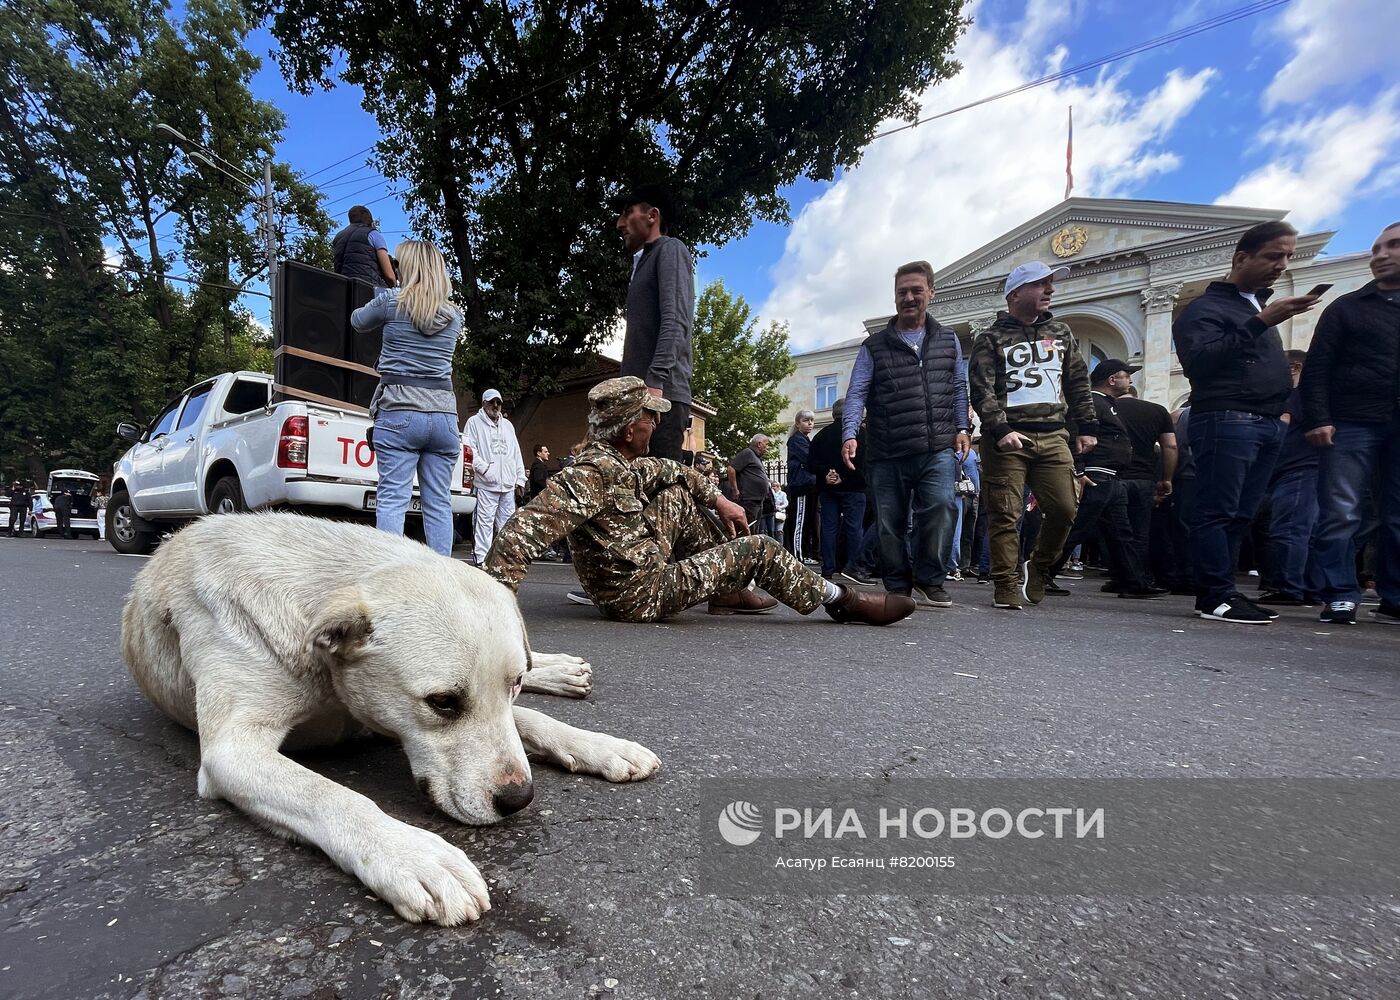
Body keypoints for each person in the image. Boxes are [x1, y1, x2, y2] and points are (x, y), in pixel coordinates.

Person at [483, 377, 915, 627]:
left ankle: (727, 591)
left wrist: (720, 501)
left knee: (678, 496)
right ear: (631, 428)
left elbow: (678, 472)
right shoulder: (590, 474)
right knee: (760, 548)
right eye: (651, 416)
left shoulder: (623, 462)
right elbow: (519, 534)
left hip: (646, 563)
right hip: (637, 594)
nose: (657, 422)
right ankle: (840, 600)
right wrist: (490, 618)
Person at [1172, 220, 1320, 624]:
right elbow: (1199, 362)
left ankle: (1223, 591)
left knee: (1241, 513)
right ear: (1241, 258)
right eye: (1274, 256)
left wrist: (1285, 412)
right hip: (1227, 417)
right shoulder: (1205, 309)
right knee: (1217, 509)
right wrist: (1261, 322)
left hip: (1267, 421)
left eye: (1288, 256)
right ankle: (1214, 594)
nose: (1282, 265)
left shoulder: (1254, 307)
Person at [969, 261, 1097, 611]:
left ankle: (1039, 566)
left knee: (1065, 508)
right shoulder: (990, 339)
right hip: (1007, 438)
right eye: (1041, 284)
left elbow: (1077, 381)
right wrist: (1000, 429)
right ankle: (1005, 583)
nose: (1050, 290)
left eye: (1050, 284)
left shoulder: (1062, 333)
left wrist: (1087, 426)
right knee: (1006, 514)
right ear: (1016, 293)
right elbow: (981, 390)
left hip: (1054, 435)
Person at [841, 261, 970, 609]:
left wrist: (962, 427)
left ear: (931, 291)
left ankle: (930, 579)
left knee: (942, 507)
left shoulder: (947, 340)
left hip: (936, 445)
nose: (909, 297)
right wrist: (849, 433)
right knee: (889, 522)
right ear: (895, 297)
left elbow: (959, 386)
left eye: (916, 290)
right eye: (902, 292)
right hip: (887, 449)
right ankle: (898, 584)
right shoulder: (875, 346)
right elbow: (857, 392)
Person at [1299, 221, 1400, 626]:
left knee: (1397, 514)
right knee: (1341, 509)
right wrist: (1319, 417)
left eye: (1392, 246)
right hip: (1352, 421)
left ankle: (1394, 596)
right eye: (1376, 248)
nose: (1380, 255)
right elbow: (1317, 368)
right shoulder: (1346, 307)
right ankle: (1339, 592)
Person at [350, 239, 462, 555]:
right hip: (444, 417)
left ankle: (391, 577)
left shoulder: (390, 302)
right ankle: (443, 582)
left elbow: (357, 322)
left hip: (399, 411)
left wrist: (383, 291)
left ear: (408, 268)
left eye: (399, 264)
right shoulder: (455, 317)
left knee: (393, 498)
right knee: (439, 503)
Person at [1049, 361, 1162, 599]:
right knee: (1076, 529)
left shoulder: (1105, 404)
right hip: (1096, 475)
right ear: (1112, 380)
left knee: (1121, 533)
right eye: (1126, 376)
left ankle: (1133, 581)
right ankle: (1041, 573)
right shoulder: (1092, 403)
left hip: (1111, 478)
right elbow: (1071, 435)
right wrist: (1079, 471)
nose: (1129, 381)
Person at [612, 183, 694, 462]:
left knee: (660, 497)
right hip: (640, 398)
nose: (620, 223)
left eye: (627, 212)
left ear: (652, 216)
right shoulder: (642, 263)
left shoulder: (670, 250)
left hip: (660, 399)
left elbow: (676, 321)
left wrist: (654, 386)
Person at [1254, 350, 1321, 606]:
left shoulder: (1295, 396)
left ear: (1293, 368)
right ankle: (1308, 588)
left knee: (1289, 529)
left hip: (1297, 468)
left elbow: (1281, 428)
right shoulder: (1316, 397)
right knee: (1308, 532)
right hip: (1311, 467)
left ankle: (1289, 587)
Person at [1106, 368, 1178, 587]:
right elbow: (1171, 446)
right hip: (1144, 479)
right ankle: (1138, 578)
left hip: (1114, 477)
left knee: (1113, 530)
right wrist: (1166, 478)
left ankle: (1120, 577)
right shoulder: (1157, 411)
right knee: (1140, 531)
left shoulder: (1106, 409)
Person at [807, 398, 868, 583]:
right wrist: (844, 475)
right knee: (854, 528)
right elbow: (864, 463)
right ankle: (854, 568)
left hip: (827, 488)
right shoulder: (861, 434)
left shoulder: (821, 435)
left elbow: (810, 463)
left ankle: (828, 568)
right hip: (853, 487)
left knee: (829, 527)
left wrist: (827, 473)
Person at [465, 389, 527, 566]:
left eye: (498, 402)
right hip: (486, 484)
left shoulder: (508, 425)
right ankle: (481, 560)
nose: (495, 406)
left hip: (507, 485)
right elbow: (470, 450)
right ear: (484, 403)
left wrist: (520, 478)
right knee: (484, 523)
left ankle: (505, 559)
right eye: (492, 402)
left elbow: (515, 452)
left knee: (507, 524)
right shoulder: (474, 423)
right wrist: (485, 470)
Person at [784, 410, 819, 563]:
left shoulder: (804, 439)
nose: (810, 423)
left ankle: (804, 554)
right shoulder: (796, 440)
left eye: (812, 420)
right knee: (799, 521)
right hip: (801, 485)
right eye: (806, 420)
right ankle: (797, 556)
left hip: (808, 484)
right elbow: (809, 458)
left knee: (807, 521)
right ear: (798, 423)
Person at [333, 205, 397, 288]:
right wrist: (394, 286)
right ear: (371, 222)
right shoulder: (373, 234)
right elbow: (390, 277)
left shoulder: (338, 237)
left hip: (341, 288)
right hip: (367, 289)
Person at [728, 434, 774, 535]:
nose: (767, 448)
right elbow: (731, 469)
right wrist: (735, 489)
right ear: (759, 444)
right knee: (747, 530)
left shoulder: (756, 458)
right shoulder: (748, 453)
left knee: (754, 531)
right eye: (766, 445)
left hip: (757, 501)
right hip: (749, 500)